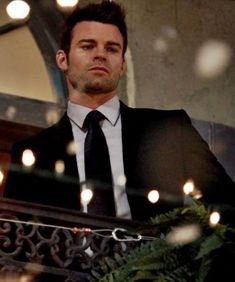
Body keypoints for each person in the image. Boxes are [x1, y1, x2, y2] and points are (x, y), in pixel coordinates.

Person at [4, 0, 235, 222]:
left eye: (112, 49)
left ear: (122, 65)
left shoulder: (168, 130)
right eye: (88, 46)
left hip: (153, 260)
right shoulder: (32, 152)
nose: (101, 54)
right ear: (63, 60)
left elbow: (226, 207)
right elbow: (15, 241)